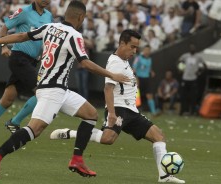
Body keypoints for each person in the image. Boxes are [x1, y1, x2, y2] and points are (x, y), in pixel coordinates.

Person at [0, 0, 129, 178]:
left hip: (60, 89)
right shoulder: (74, 35)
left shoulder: (50, 27)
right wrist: (112, 75)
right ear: (81, 17)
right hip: (52, 90)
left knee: (91, 114)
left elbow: (21, 36)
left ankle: (77, 160)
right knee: (35, 129)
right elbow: (84, 63)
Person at [50, 29, 185, 183]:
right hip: (119, 109)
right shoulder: (115, 62)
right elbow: (108, 88)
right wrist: (112, 113)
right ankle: (72, 133)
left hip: (131, 111)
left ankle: (164, 176)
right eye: (132, 47)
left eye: (136, 48)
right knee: (108, 139)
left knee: (158, 136)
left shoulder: (124, 61)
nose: (135, 51)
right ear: (122, 43)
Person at [0, 0, 53, 146]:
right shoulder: (24, 12)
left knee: (8, 99)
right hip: (19, 58)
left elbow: (46, 38)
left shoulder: (48, 16)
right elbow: (4, 28)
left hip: (32, 61)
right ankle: (14, 122)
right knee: (42, 92)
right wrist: (4, 46)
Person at [178, 44, 207, 116]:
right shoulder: (185, 56)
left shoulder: (198, 57)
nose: (192, 49)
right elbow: (179, 62)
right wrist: (180, 69)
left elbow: (205, 66)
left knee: (193, 96)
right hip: (185, 78)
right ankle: (182, 111)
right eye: (191, 48)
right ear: (189, 49)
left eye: (193, 48)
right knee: (183, 96)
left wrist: (199, 72)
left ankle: (192, 111)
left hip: (193, 79)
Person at [132, 45, 159, 116]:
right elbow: (134, 68)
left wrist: (151, 71)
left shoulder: (150, 59)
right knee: (136, 95)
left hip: (146, 79)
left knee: (149, 95)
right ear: (143, 50)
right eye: (146, 50)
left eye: (148, 50)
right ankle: (134, 111)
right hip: (139, 78)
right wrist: (136, 77)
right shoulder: (138, 58)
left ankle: (153, 112)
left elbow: (148, 68)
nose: (147, 51)